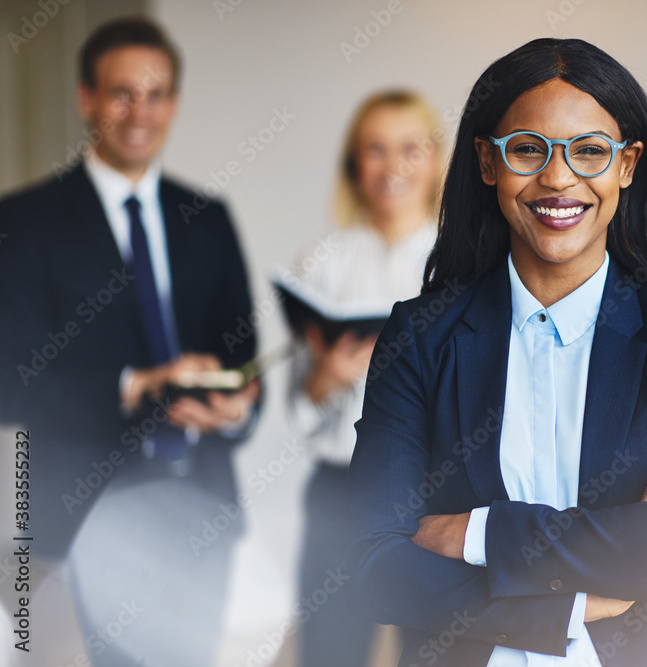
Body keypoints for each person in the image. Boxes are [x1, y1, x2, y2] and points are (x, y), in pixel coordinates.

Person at [345, 38, 647, 666]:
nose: (558, 179)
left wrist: (476, 531)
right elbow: (371, 560)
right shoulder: (420, 337)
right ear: (487, 162)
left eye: (590, 151)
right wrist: (578, 591)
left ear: (627, 164)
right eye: (528, 149)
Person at [0, 17, 260, 665]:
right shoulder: (25, 223)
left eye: (156, 93)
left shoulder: (208, 218)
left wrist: (237, 405)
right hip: (84, 513)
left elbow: (243, 357)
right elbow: (12, 383)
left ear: (173, 102)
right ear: (87, 97)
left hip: (201, 505)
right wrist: (133, 385)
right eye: (121, 93)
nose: (139, 112)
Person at [285, 90, 441, 666]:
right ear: (354, 163)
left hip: (437, 490)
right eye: (374, 150)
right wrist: (327, 376)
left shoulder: (466, 261)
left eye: (410, 149)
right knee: (331, 650)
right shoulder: (321, 261)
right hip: (341, 490)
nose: (393, 166)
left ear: (437, 160)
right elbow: (302, 407)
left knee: (433, 651)